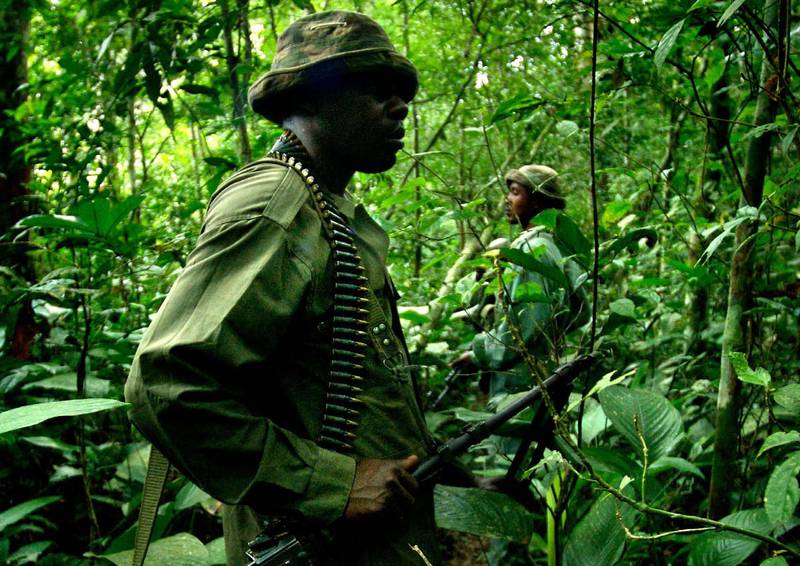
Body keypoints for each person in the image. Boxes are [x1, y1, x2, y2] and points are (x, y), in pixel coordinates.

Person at [125, 11, 441, 566]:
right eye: (374, 89)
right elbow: (165, 383)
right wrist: (333, 483)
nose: (400, 107)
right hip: (312, 543)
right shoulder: (276, 205)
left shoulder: (331, 212)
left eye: (401, 93)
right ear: (310, 99)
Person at [451, 165, 589, 396]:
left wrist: (479, 353)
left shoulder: (531, 251)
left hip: (520, 385)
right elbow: (581, 311)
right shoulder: (557, 246)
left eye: (515, 192)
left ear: (537, 201)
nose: (507, 199)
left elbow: (524, 326)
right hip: (546, 374)